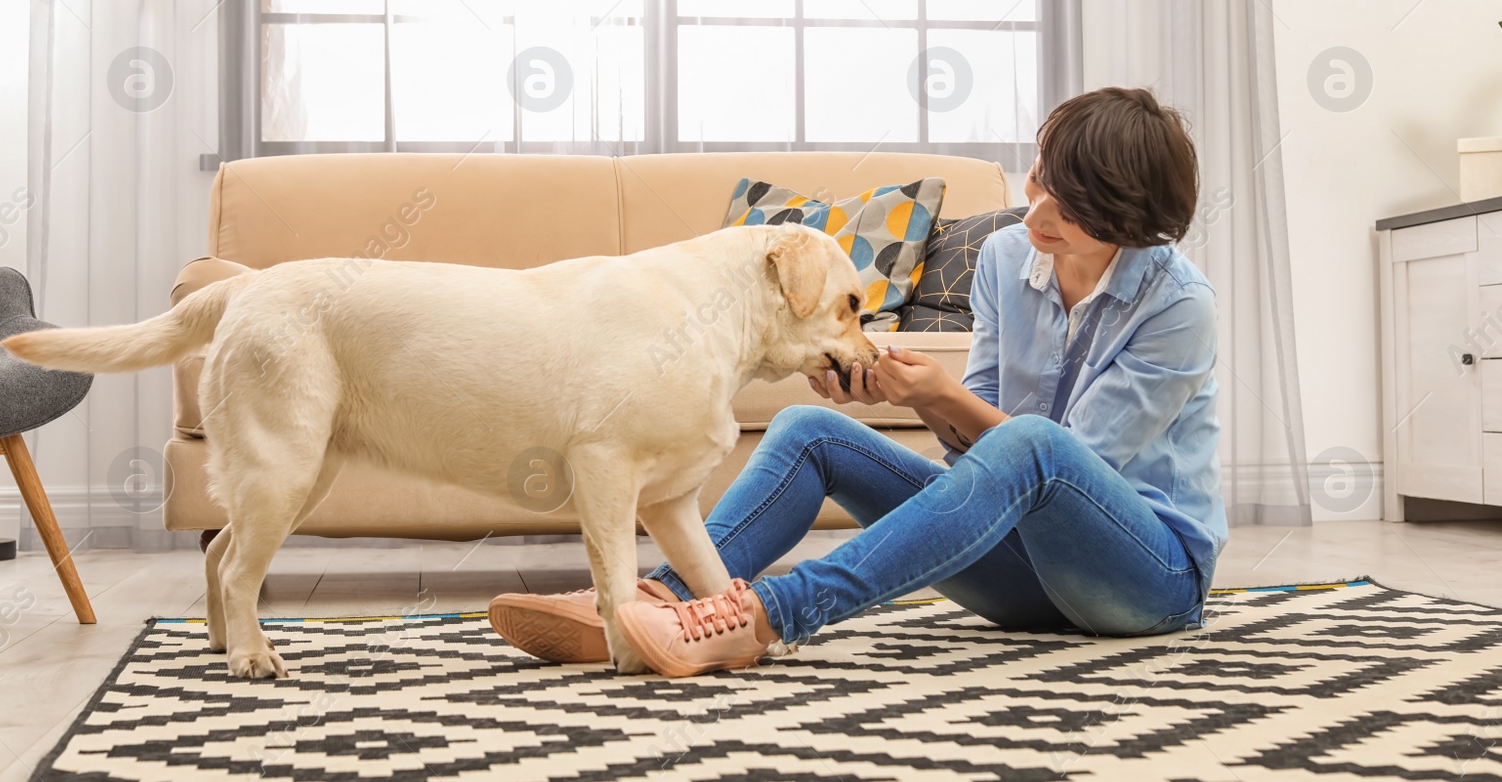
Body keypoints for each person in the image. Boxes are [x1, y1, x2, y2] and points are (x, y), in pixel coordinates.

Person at [490, 86, 1228, 678]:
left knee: (1035, 444)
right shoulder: (1007, 259)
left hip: (1143, 580)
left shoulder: (1178, 305)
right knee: (810, 432)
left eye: (1068, 210)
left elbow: (1068, 466)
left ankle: (765, 617)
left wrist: (943, 397)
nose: (1035, 211)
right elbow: (982, 458)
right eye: (1040, 178)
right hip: (1023, 578)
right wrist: (910, 398)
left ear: (1129, 223)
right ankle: (657, 604)